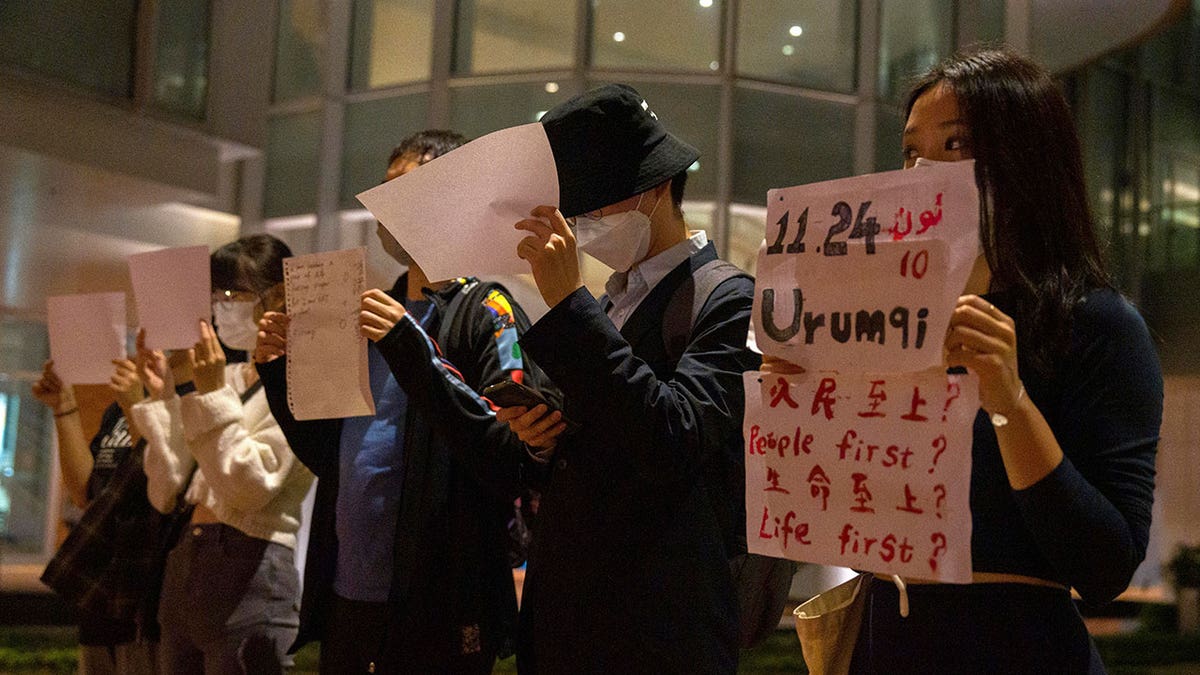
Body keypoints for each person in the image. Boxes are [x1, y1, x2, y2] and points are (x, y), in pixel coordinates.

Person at [770, 49, 1162, 673]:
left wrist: (1009, 402)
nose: (924, 169)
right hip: (885, 645)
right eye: (911, 151)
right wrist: (798, 413)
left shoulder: (1097, 325)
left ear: (1026, 162)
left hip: (1018, 652)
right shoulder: (873, 320)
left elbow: (1106, 567)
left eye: (956, 145)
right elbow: (828, 507)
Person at [254, 129, 552, 673]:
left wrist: (409, 348)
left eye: (407, 189)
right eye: (384, 189)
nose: (386, 207)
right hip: (349, 593)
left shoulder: (489, 310)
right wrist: (278, 372)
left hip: (441, 600)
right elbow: (330, 456)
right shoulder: (366, 310)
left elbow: (508, 458)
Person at [499, 84, 760, 672]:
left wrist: (568, 303)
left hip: (656, 630)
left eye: (594, 208)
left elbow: (676, 435)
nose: (582, 226)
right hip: (573, 617)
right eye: (575, 211)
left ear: (656, 187)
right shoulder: (609, 300)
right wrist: (547, 436)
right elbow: (608, 433)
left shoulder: (728, 297)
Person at [130, 234, 314, 673]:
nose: (221, 306)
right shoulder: (228, 375)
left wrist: (207, 391)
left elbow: (251, 488)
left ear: (278, 297)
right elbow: (166, 490)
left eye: (234, 294)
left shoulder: (302, 381)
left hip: (251, 561)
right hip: (188, 560)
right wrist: (166, 397)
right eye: (215, 295)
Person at [33, 358, 159, 674]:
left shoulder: (178, 402)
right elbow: (87, 494)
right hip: (101, 595)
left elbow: (161, 479)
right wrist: (64, 407)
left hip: (146, 598)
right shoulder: (117, 411)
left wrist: (136, 407)